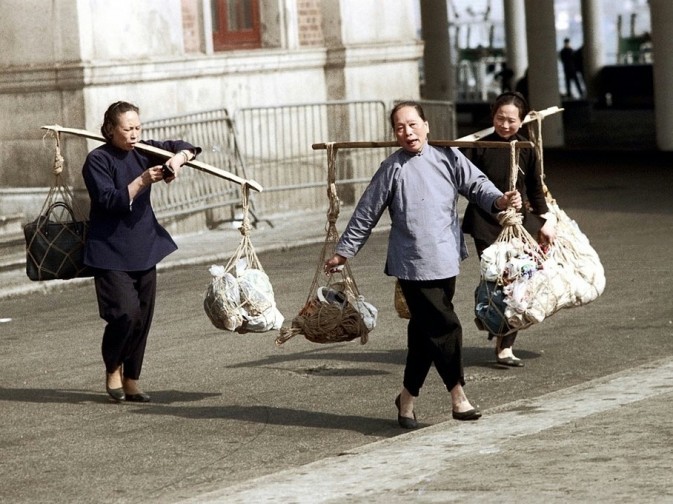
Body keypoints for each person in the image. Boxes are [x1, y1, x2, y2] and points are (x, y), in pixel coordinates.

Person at [324, 101, 522, 428]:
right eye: (400, 127)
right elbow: (366, 213)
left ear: (426, 126)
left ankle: (406, 400)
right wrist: (344, 251)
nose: (408, 132)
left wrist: (501, 199)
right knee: (446, 327)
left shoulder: (448, 157)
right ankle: (458, 395)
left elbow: (477, 185)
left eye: (413, 124)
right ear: (394, 133)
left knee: (423, 336)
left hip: (446, 259)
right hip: (411, 265)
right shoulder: (392, 168)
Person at [82, 101, 201, 403]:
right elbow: (109, 201)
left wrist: (178, 160)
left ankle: (132, 379)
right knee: (125, 313)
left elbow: (186, 146)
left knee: (143, 317)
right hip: (109, 249)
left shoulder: (144, 150)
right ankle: (113, 367)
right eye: (127, 129)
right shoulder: (97, 160)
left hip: (144, 246)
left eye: (138, 128)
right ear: (110, 129)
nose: (134, 134)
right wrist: (142, 181)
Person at [461, 91, 556, 367]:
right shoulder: (478, 146)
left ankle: (505, 346)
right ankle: (494, 320)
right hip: (485, 224)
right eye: (500, 119)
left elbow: (536, 189)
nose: (505, 125)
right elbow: (467, 185)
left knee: (518, 284)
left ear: (522, 120)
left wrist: (547, 220)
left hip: (518, 226)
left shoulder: (526, 147)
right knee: (496, 279)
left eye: (511, 121)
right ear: (492, 117)